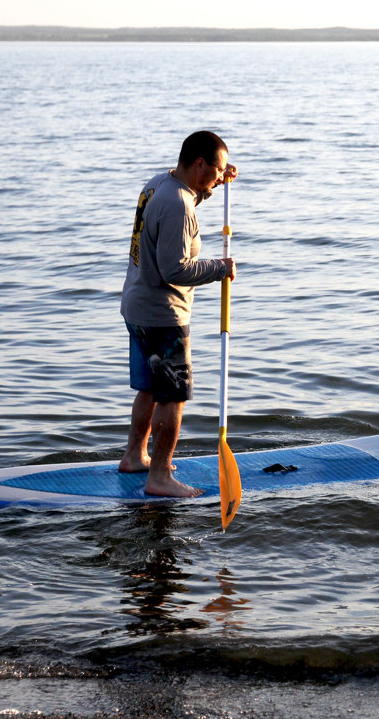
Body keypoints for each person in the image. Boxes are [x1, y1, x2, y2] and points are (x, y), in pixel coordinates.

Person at [118, 131, 237, 497]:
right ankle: (159, 478)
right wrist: (220, 268)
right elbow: (175, 269)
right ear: (199, 163)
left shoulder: (159, 185)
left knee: (150, 389)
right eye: (216, 171)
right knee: (173, 396)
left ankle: (135, 457)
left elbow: (183, 205)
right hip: (163, 316)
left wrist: (215, 185)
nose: (219, 178)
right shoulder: (178, 206)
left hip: (137, 306)